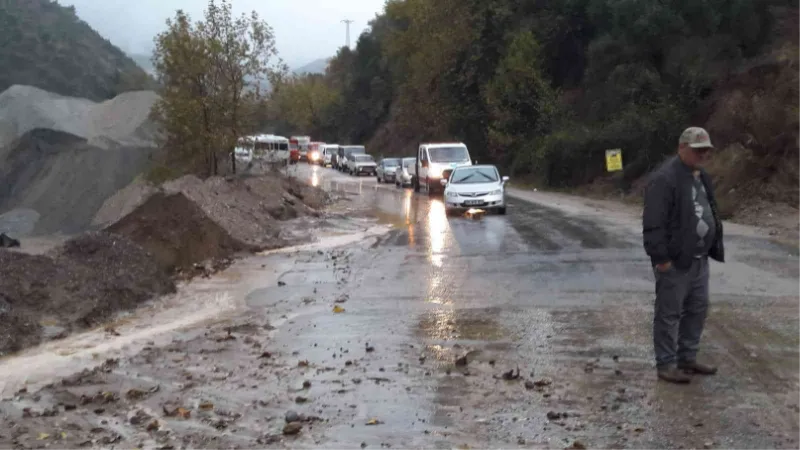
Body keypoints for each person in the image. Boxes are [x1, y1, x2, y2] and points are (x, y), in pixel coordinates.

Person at [642, 127, 725, 384]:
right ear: (682, 148)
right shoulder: (665, 179)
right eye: (697, 150)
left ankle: (687, 358)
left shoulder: (702, 176)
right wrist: (661, 259)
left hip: (699, 259)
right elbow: (653, 223)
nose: (702, 155)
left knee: (697, 310)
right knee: (669, 314)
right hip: (675, 261)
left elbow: (708, 209)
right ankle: (666, 364)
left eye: (706, 151)